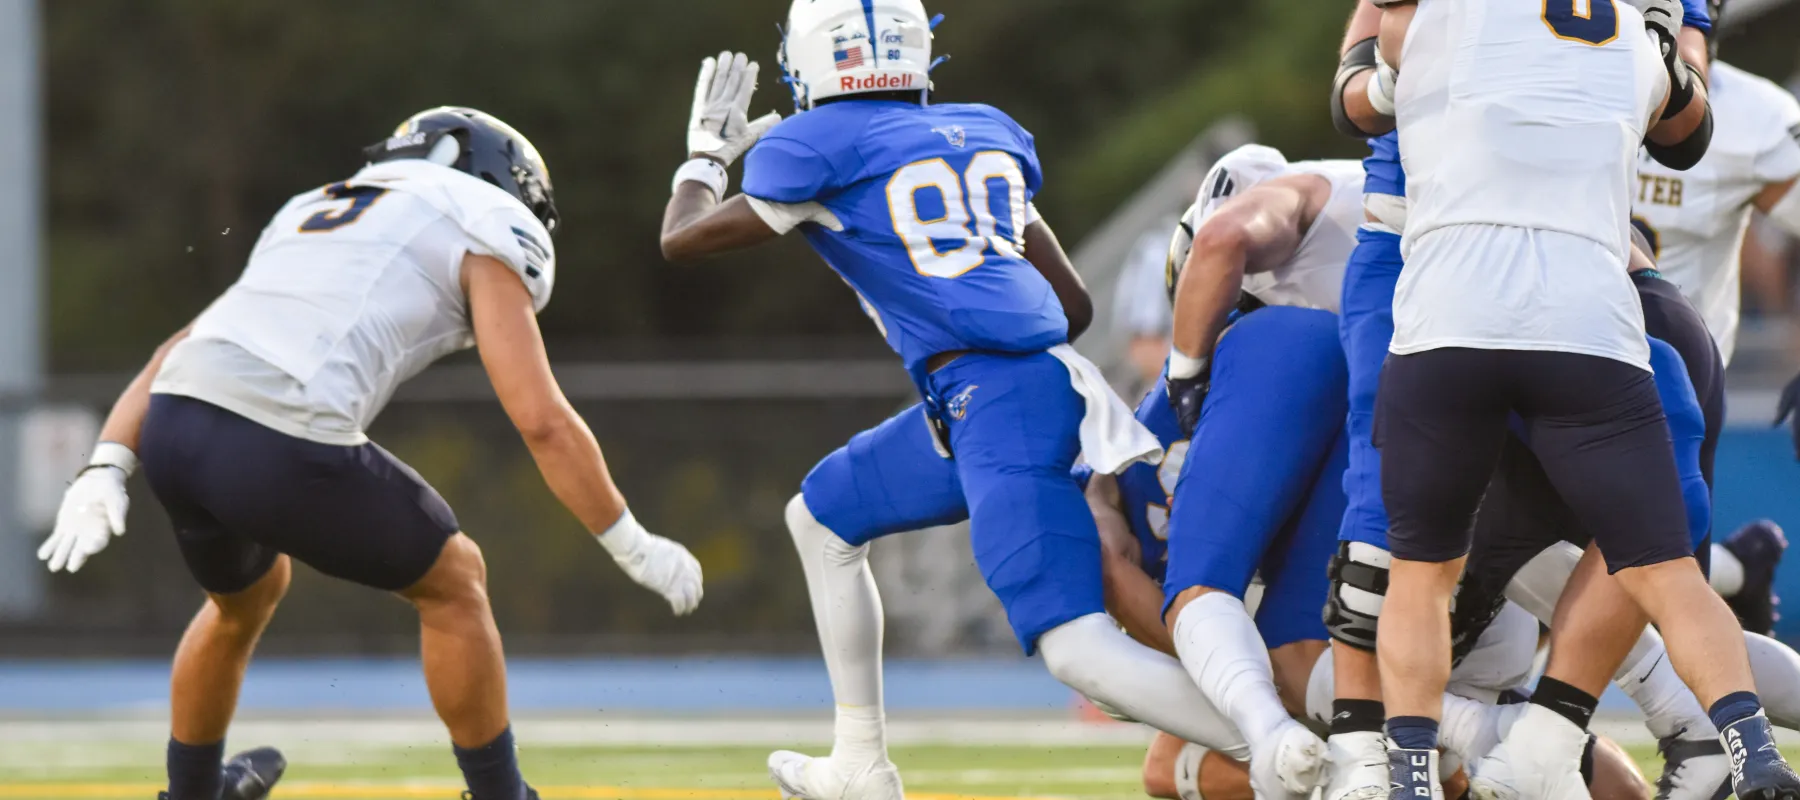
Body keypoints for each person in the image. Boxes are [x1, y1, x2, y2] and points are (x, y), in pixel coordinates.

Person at [657, 5, 1245, 798]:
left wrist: (702, 159)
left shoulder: (814, 147)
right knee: (823, 515)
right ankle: (860, 764)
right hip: (999, 392)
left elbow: (682, 239)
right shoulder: (983, 132)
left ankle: (1295, 745)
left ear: (812, 57)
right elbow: (1071, 306)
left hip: (996, 402)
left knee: (1078, 652)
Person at [35, 108, 705, 800]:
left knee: (246, 597)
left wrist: (107, 465)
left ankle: (192, 794)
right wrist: (631, 542)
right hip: (276, 431)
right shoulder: (478, 220)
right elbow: (541, 420)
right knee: (455, 581)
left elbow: (174, 352)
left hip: (175, 422)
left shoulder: (315, 207)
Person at [1368, 1, 1800, 799]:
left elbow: (1361, 86)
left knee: (1420, 574)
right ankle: (1753, 751)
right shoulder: (1633, 35)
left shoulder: (1440, 18)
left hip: (1449, 317)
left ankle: (1409, 776)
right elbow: (1688, 128)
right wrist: (1677, 37)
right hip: (1588, 320)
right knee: (1667, 571)